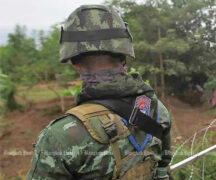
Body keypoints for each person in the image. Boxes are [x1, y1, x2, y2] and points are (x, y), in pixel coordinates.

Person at [26, 5, 172, 180]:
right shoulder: (154, 107)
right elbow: (162, 168)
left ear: (75, 63)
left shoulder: (59, 136)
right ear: (123, 56)